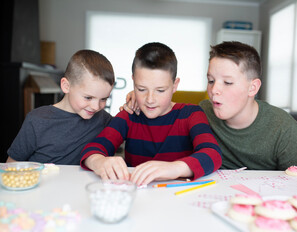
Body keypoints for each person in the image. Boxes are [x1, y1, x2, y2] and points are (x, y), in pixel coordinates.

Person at [124, 41, 297, 171]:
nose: (214, 91)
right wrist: (142, 96)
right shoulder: (203, 111)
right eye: (211, 80)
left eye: (227, 83)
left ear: (252, 87)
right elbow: (169, 109)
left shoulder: (283, 127)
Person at [80, 42, 222, 186]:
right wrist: (100, 162)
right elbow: (92, 149)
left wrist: (175, 168)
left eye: (160, 91)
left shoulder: (191, 114)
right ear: (133, 81)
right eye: (141, 89)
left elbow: (212, 154)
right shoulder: (129, 115)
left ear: (175, 85)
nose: (150, 100)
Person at [6, 50, 114, 165]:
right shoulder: (37, 120)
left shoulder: (104, 119)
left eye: (103, 99)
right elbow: (11, 165)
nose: (96, 107)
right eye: (88, 97)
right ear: (66, 86)